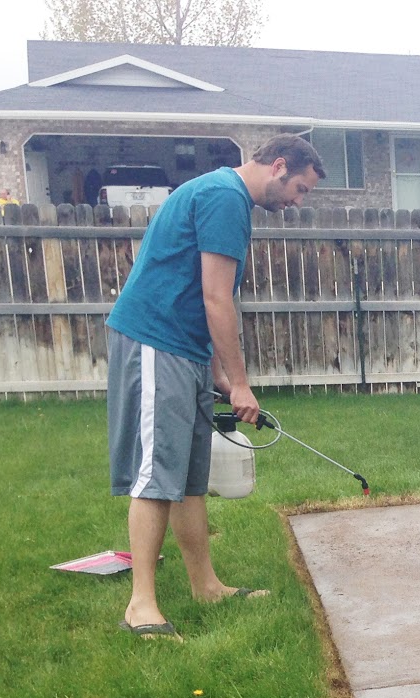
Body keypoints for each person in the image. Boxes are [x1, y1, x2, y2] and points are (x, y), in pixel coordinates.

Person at [106, 133, 324, 641]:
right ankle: (141, 605)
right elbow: (215, 297)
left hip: (182, 346)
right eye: (300, 190)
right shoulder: (226, 199)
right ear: (279, 166)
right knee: (158, 472)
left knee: (187, 474)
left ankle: (206, 585)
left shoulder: (222, 194)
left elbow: (197, 290)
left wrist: (216, 372)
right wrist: (242, 384)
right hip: (156, 339)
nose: (296, 202)